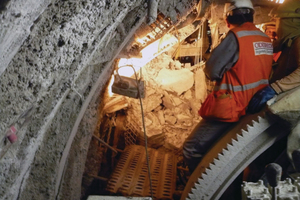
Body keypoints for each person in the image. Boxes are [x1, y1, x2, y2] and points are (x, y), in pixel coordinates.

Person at [183, 0, 274, 173]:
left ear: (228, 18)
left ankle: (201, 190)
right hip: (255, 107)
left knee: (191, 148)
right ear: (251, 15)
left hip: (233, 106)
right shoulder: (264, 38)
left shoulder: (236, 36)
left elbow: (212, 71)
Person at [247, 0, 300, 114]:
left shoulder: (299, 41)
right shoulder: (289, 43)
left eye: (277, 21)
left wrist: (275, 88)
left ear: (291, 21)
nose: (277, 27)